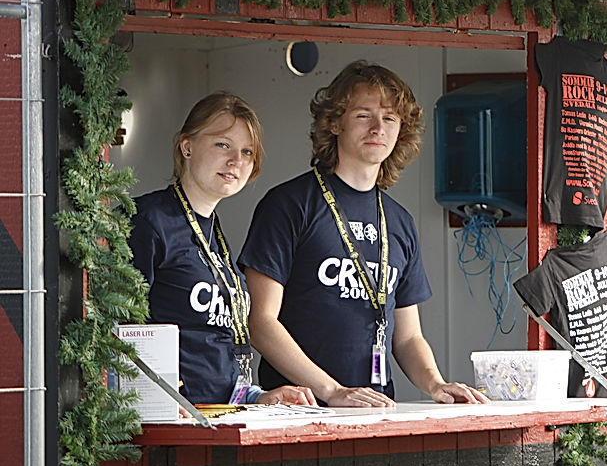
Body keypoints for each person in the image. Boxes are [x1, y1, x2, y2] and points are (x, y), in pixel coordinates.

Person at [239, 61, 487, 406]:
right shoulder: (289, 204)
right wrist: (331, 390)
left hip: (374, 409)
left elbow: (408, 336)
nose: (377, 128)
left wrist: (435, 384)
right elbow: (260, 321)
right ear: (335, 122)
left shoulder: (398, 221)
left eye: (389, 118)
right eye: (363, 115)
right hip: (301, 410)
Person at [128, 92, 316, 407]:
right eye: (223, 145)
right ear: (186, 146)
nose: (236, 161)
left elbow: (210, 348)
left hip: (218, 414)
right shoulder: (148, 220)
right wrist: (157, 399)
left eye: (247, 152)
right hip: (171, 420)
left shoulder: (214, 232)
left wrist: (258, 397)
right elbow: (120, 325)